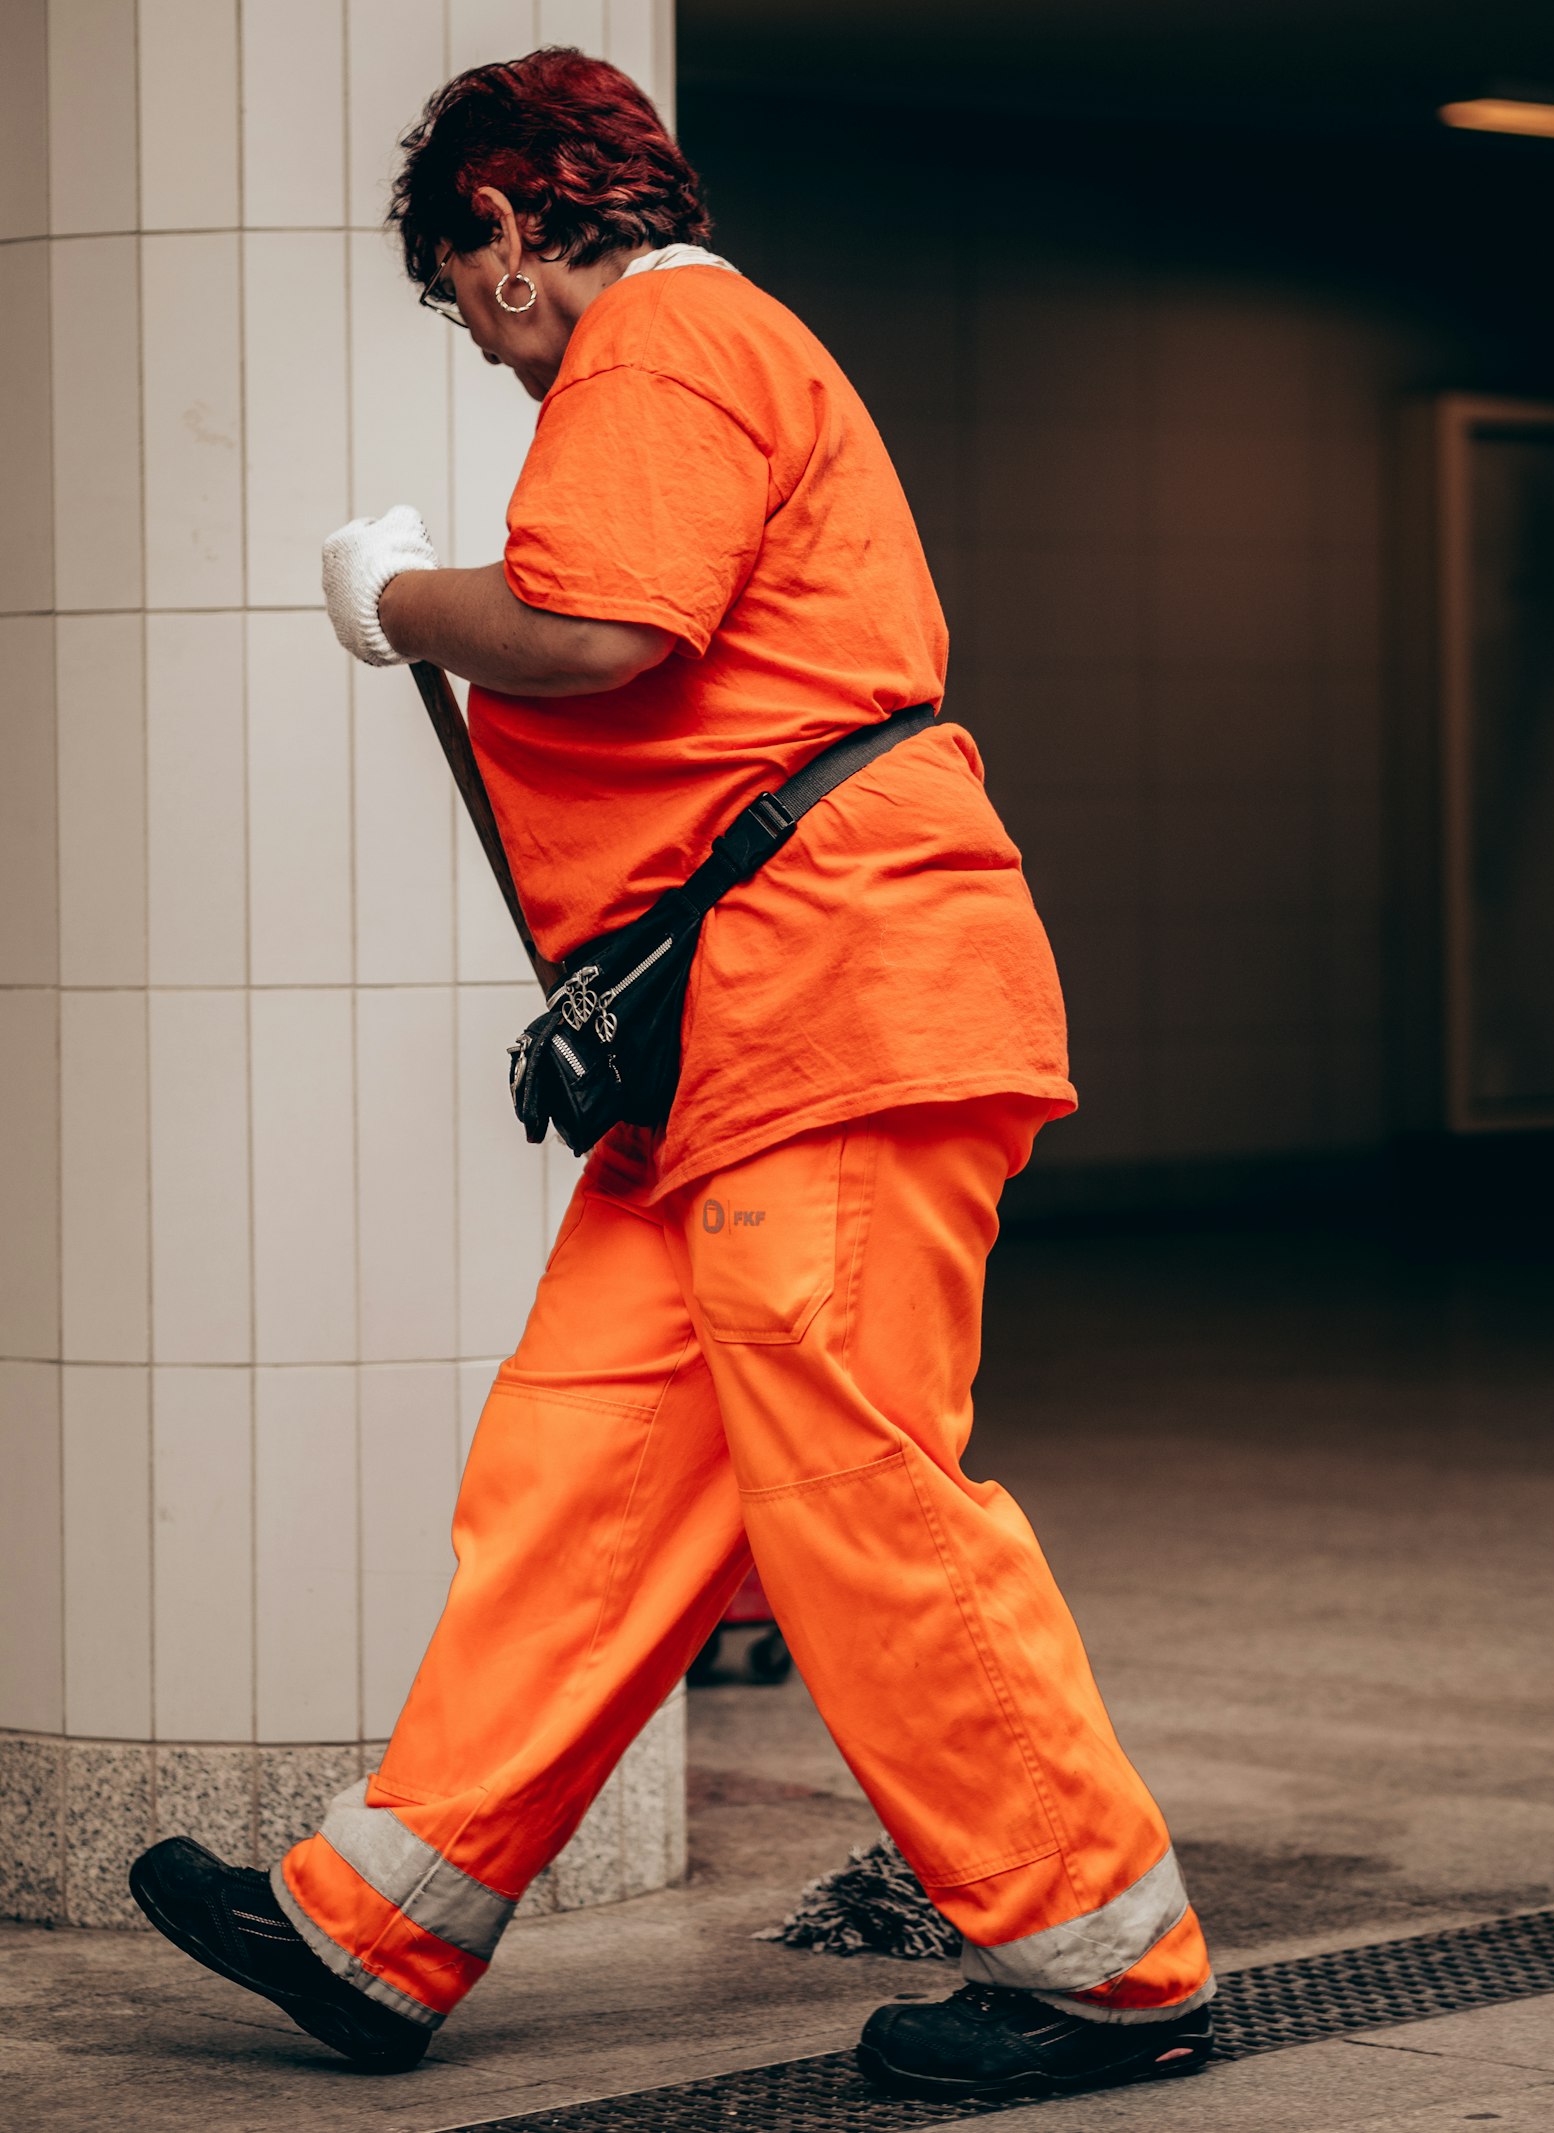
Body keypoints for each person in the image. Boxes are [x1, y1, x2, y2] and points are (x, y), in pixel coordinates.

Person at [129, 47, 1214, 2105]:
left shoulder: (667, 331)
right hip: (746, 1035)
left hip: (836, 1008)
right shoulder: (703, 349)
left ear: (515, 228)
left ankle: (1100, 1952)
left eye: (468, 296)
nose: (487, 345)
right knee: (580, 1469)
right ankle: (382, 1917)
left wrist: (395, 604)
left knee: (861, 1488)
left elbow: (596, 626)